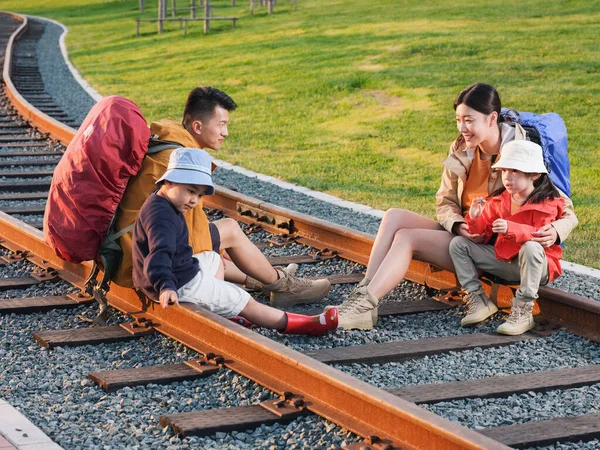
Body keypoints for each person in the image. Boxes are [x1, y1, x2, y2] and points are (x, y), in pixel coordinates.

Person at [329, 83, 578, 330]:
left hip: (498, 247)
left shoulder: (521, 150)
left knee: (406, 238)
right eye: (458, 119)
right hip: (468, 232)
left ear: (492, 118)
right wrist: (458, 225)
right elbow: (445, 201)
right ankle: (362, 298)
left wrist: (556, 231)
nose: (462, 128)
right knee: (394, 216)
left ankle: (364, 306)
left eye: (469, 120)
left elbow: (563, 206)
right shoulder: (461, 148)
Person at [115, 86, 331, 307]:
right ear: (197, 126)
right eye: (222, 125)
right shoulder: (175, 161)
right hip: (144, 252)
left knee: (220, 240)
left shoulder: (172, 140)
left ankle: (266, 278)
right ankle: (283, 286)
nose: (225, 133)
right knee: (230, 230)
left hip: (137, 240)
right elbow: (197, 243)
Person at [132, 147, 338, 335]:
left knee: (215, 259)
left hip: (182, 271)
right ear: (169, 181)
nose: (194, 200)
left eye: (199, 194)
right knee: (247, 301)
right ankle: (307, 324)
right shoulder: (162, 218)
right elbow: (158, 255)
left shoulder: (161, 201)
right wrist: (166, 286)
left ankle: (225, 309)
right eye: (190, 191)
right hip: (181, 284)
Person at [449, 140, 568, 335]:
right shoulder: (498, 201)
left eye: (515, 171)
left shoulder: (548, 203)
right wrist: (475, 216)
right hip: (507, 263)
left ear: (534, 175)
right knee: (458, 244)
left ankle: (523, 311)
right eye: (504, 171)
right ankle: (478, 300)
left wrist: (510, 227)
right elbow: (480, 234)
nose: (507, 177)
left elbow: (539, 235)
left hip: (538, 267)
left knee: (530, 247)